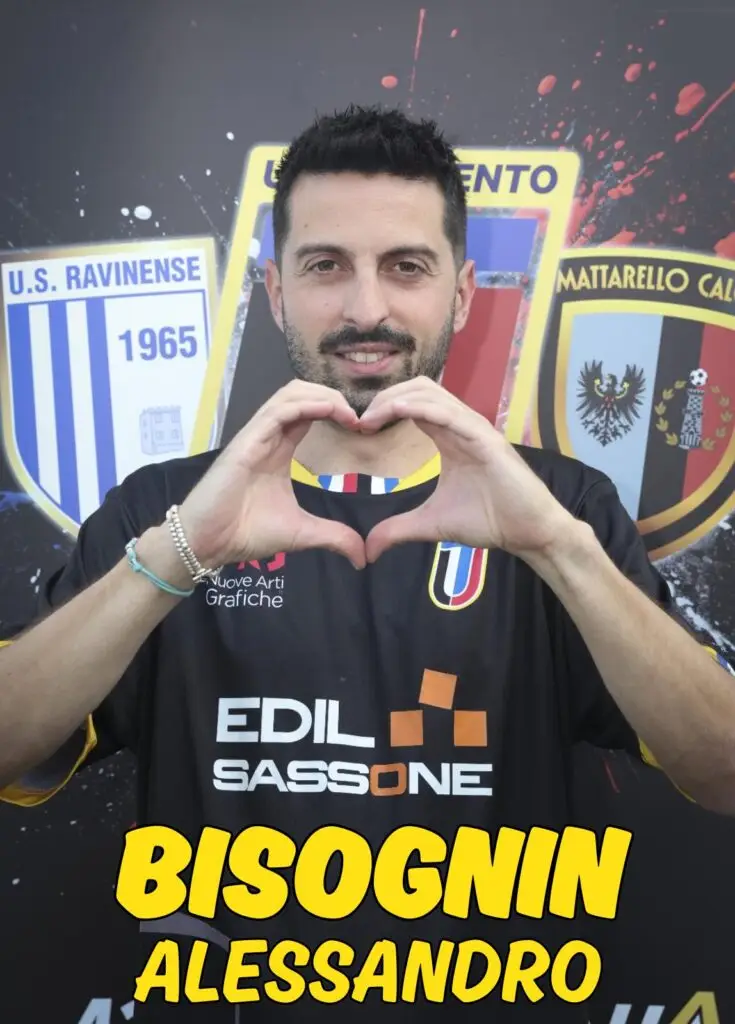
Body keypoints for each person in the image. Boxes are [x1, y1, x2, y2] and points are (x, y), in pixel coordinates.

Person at [1, 104, 734, 1022]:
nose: (365, 309)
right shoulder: (164, 510)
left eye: (405, 267)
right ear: (275, 291)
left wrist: (557, 550)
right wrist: (178, 557)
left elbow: (722, 771)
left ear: (461, 294)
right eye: (325, 266)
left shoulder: (564, 508)